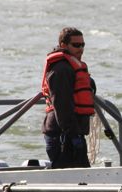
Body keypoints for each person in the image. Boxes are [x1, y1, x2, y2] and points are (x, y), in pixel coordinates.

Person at [41, 27, 96, 169]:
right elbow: (62, 105)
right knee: (73, 176)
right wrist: (72, 136)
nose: (81, 49)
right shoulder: (61, 69)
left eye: (83, 45)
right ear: (63, 45)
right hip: (63, 135)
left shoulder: (71, 66)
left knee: (81, 175)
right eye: (76, 45)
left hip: (73, 133)